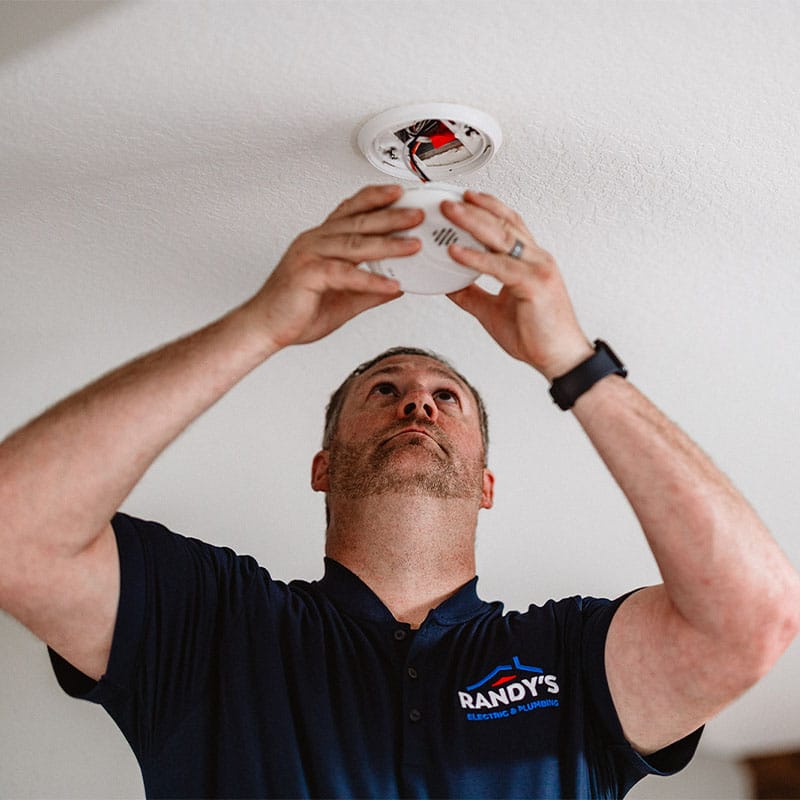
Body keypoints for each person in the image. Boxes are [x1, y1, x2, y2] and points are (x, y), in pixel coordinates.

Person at [0, 184, 798, 799]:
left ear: (485, 486)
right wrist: (262, 325)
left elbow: (755, 616)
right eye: (382, 391)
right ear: (322, 466)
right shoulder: (214, 625)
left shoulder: (572, 659)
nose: (417, 401)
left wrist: (575, 364)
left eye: (446, 397)